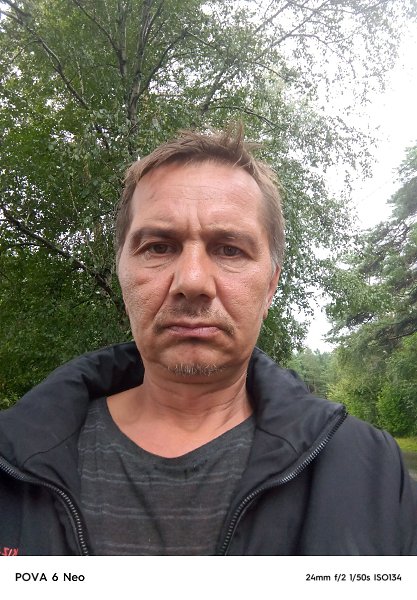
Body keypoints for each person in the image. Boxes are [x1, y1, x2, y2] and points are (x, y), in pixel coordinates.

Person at [0, 127, 416, 556]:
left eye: (229, 249)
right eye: (159, 247)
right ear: (122, 272)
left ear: (270, 287)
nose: (193, 281)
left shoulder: (372, 474)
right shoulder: (11, 457)